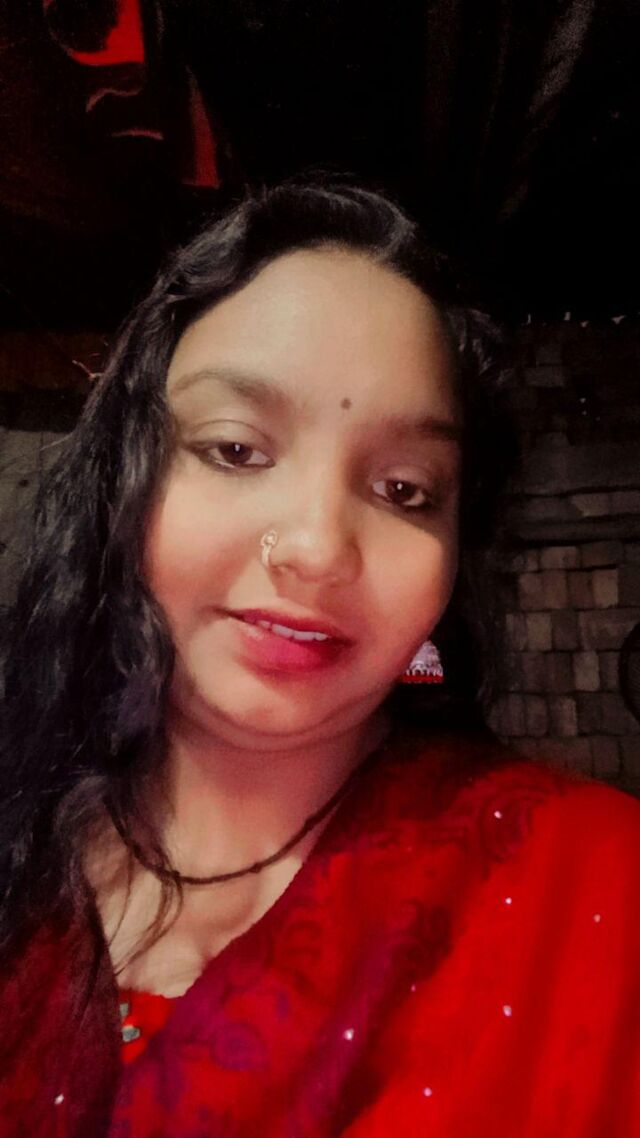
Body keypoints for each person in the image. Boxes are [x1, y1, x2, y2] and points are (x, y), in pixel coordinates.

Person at [0, 180, 639, 1138]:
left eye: (404, 489)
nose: (315, 549)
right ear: (123, 481)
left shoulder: (597, 891)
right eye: (235, 450)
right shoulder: (20, 854)